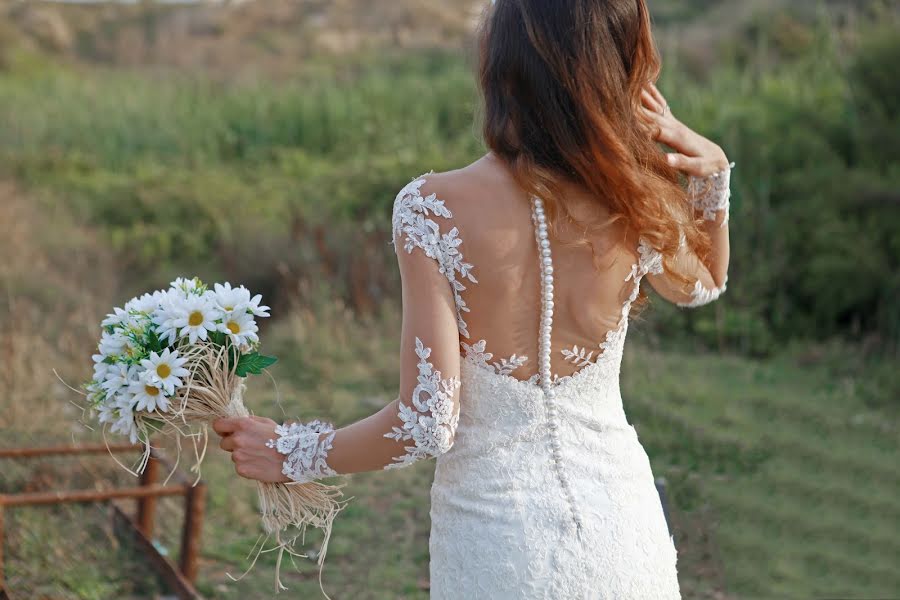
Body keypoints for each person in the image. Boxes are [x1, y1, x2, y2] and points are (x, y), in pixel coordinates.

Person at [213, 1, 732, 597]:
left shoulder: (432, 207)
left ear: (502, 64)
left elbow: (426, 424)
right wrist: (711, 172)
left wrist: (291, 453)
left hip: (501, 549)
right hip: (625, 538)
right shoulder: (632, 200)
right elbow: (704, 284)